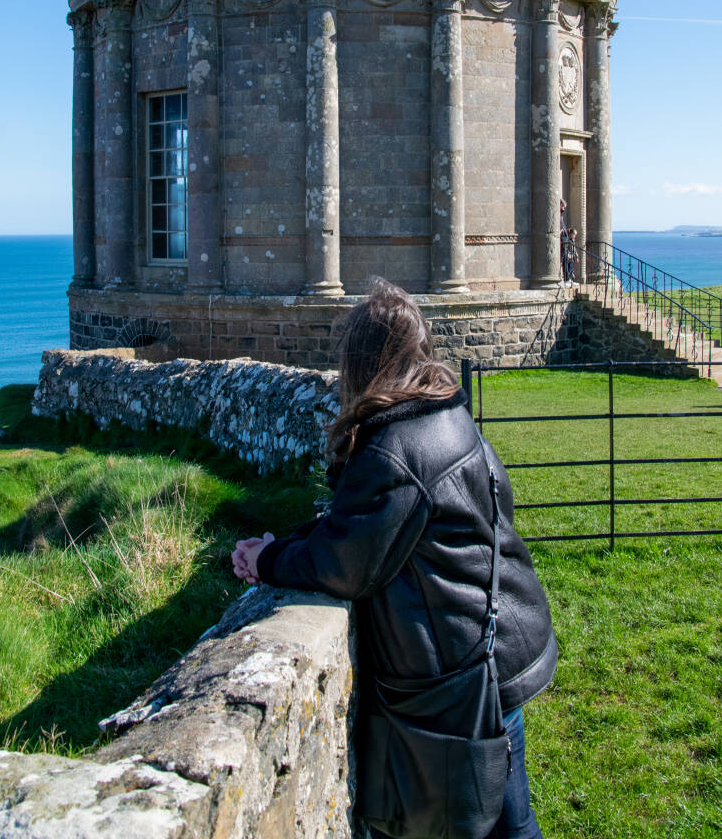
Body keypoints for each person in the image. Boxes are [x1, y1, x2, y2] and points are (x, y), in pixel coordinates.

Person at [232, 279, 557, 839]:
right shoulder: (446, 415)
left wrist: (264, 563)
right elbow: (363, 529)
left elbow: (345, 562)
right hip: (495, 653)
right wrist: (282, 547)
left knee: (497, 824)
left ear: (360, 363)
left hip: (462, 678)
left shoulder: (395, 447)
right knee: (509, 816)